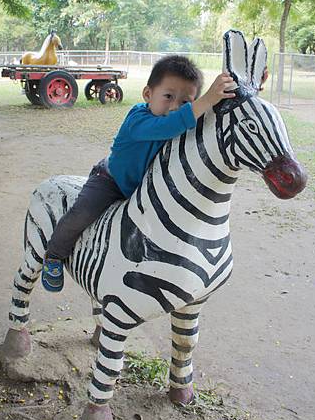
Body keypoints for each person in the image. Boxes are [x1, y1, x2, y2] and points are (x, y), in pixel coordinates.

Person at [41, 54, 258, 292]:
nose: (175, 106)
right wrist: (204, 100)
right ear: (147, 95)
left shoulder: (181, 120)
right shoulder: (138, 119)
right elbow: (169, 126)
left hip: (145, 187)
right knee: (81, 213)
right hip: (111, 180)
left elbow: (210, 117)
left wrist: (244, 89)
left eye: (186, 102)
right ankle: (54, 255)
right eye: (168, 96)